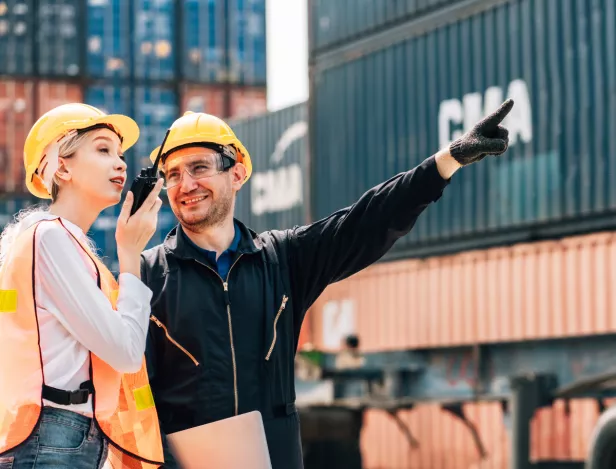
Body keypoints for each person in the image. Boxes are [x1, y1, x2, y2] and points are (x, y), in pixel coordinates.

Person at [141, 100, 515, 468]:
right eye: (172, 174)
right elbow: (133, 403)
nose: (185, 184)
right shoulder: (147, 277)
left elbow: (366, 222)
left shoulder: (282, 260)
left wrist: (447, 161)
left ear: (236, 174)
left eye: (198, 168)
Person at [0, 103, 165, 469]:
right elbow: (124, 351)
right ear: (62, 165)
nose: (120, 163)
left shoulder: (54, 241)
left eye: (120, 154)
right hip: (54, 438)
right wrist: (130, 252)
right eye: (103, 149)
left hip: (62, 437)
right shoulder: (50, 239)